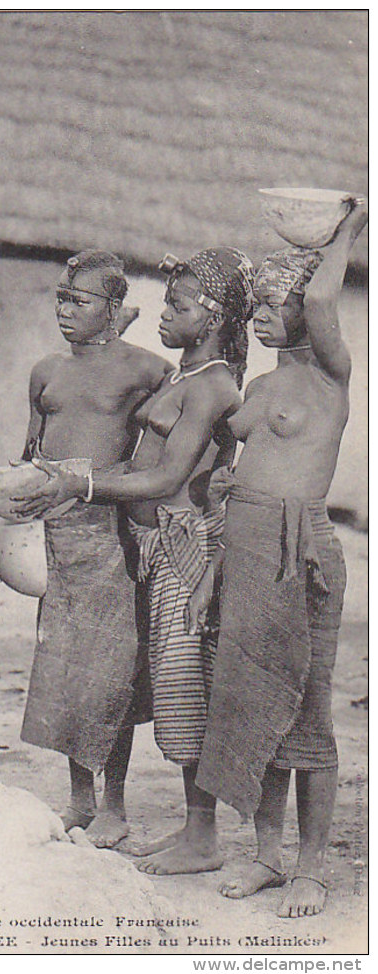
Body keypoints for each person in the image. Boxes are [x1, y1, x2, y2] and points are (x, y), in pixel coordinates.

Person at [12, 247, 254, 874]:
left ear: (214, 315)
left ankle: (201, 837)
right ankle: (187, 831)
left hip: (178, 543)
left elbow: (167, 476)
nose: (164, 316)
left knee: (183, 690)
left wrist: (82, 485)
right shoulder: (182, 376)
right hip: (141, 543)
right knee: (159, 683)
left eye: (178, 306)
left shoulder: (209, 385)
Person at [191, 201, 368, 917]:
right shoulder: (259, 387)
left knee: (307, 714)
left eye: (276, 304)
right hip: (245, 549)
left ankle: (312, 865)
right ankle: (266, 852)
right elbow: (222, 471)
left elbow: (326, 293)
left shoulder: (331, 377)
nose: (262, 315)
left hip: (305, 555)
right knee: (249, 705)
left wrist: (349, 224)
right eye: (257, 303)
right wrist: (211, 570)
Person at [0, 250, 171, 847]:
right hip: (54, 535)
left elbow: (171, 448)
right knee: (66, 671)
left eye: (80, 300)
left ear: (113, 310)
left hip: (113, 534)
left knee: (113, 674)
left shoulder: (147, 371)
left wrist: (155, 517)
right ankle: (80, 800)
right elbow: (31, 458)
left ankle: (115, 805)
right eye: (61, 297)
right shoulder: (46, 372)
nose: (65, 309)